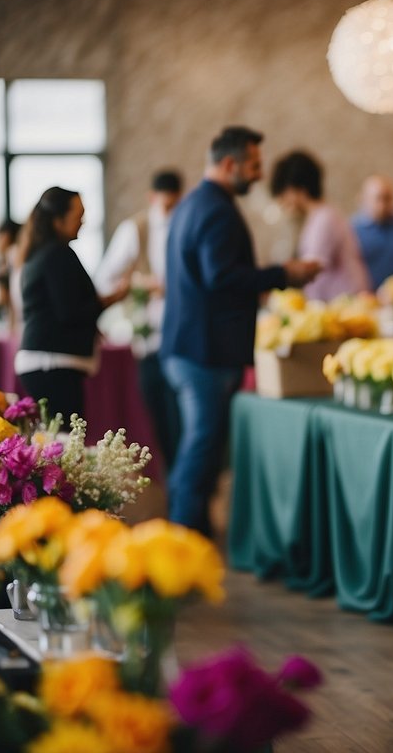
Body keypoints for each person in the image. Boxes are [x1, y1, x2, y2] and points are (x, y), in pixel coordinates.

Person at [161, 127, 321, 534]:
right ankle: (180, 544)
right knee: (201, 451)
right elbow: (222, 278)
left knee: (201, 449)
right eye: (253, 165)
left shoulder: (192, 203)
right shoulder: (216, 209)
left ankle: (191, 539)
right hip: (205, 352)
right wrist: (284, 273)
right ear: (229, 164)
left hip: (189, 346)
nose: (258, 174)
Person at [93, 169, 185, 469]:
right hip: (149, 340)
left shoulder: (186, 225)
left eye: (175, 205)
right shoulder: (135, 229)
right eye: (165, 207)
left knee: (182, 422)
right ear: (152, 198)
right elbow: (105, 279)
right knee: (160, 422)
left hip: (183, 338)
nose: (170, 213)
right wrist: (141, 282)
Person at [16, 187, 128, 426]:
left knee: (60, 443)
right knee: (67, 445)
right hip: (52, 364)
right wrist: (108, 300)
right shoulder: (58, 254)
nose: (84, 221)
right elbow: (70, 312)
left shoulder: (40, 253)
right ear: (58, 220)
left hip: (46, 363)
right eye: (79, 215)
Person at [271, 150, 370, 302]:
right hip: (344, 302)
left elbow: (310, 269)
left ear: (297, 189)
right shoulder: (322, 215)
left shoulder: (324, 219)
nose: (284, 202)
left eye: (284, 194)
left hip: (345, 303)